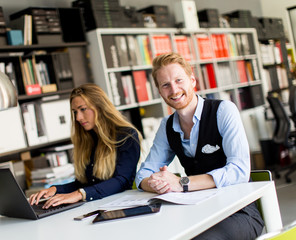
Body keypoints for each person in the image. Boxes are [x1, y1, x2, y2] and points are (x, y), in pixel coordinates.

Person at [135, 53, 264, 239]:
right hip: (198, 211)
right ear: (160, 91)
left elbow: (239, 171)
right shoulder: (167, 126)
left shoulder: (223, 111)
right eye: (165, 85)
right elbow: (143, 174)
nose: (174, 89)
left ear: (192, 81)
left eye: (179, 80)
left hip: (238, 212)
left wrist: (181, 183)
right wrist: (157, 184)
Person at [29, 83, 142, 209]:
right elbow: (85, 183)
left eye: (83, 109)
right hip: (94, 206)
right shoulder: (88, 139)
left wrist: (80, 194)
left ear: (100, 107)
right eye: (75, 112)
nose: (78, 117)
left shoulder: (127, 135)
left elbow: (122, 181)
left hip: (119, 207)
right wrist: (55, 189)